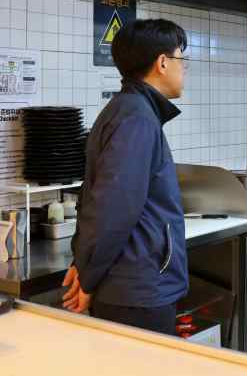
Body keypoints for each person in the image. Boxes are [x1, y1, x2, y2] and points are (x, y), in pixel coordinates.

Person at [62, 19, 189, 335]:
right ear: (162, 63)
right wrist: (88, 276)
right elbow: (113, 208)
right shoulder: (137, 119)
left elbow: (99, 198)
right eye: (181, 58)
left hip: (132, 284)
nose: (184, 67)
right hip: (138, 289)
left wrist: (84, 264)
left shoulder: (127, 109)